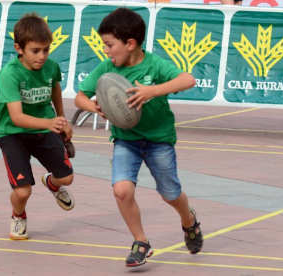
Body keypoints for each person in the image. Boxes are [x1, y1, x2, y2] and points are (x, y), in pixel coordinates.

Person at [74, 8, 203, 267]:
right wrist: (96, 107)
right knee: (121, 190)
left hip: (159, 140)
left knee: (170, 194)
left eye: (110, 45)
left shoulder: (154, 65)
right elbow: (79, 96)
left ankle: (189, 221)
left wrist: (152, 91)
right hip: (126, 140)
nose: (106, 51)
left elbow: (188, 79)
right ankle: (141, 241)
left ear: (130, 43)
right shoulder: (107, 68)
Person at [0, 13, 75, 241]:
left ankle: (51, 184)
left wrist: (61, 118)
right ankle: (18, 216)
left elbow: (55, 87)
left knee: (66, 178)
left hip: (44, 128)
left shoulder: (51, 67)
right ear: (19, 48)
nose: (42, 56)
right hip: (13, 134)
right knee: (22, 191)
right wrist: (50, 123)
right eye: (35, 51)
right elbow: (17, 118)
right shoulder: (9, 74)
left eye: (46, 50)